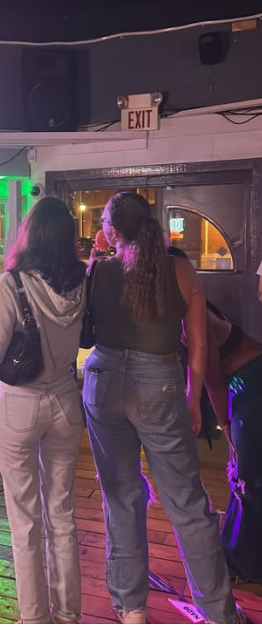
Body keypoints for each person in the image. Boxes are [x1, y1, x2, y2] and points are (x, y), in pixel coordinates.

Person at [82, 192, 243, 624]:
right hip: (159, 383)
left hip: (102, 380)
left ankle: (131, 610)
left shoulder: (98, 270)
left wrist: (98, 254)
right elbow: (199, 344)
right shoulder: (180, 269)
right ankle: (219, 616)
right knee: (187, 502)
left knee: (120, 497)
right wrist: (193, 398)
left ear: (111, 230)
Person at [0, 197, 87, 624]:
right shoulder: (81, 280)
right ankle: (68, 617)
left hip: (21, 406)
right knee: (62, 515)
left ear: (30, 235)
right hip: (65, 400)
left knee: (25, 519)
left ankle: (34, 620)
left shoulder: (10, 284)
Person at [169, 245, 262, 583]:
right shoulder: (189, 305)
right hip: (243, 380)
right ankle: (237, 553)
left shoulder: (191, 315)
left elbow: (213, 378)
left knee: (248, 475)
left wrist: (226, 428)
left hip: (251, 379)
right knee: (243, 474)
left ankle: (246, 564)